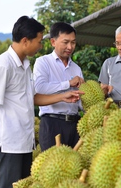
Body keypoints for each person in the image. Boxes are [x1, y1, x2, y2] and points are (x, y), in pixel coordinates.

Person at [0, 16, 84, 188]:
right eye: (39, 41)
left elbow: (33, 97)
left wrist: (62, 96)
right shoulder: (3, 65)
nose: (41, 46)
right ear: (25, 41)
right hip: (8, 144)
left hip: (24, 142)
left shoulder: (25, 65)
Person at [33, 22, 84, 152]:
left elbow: (80, 104)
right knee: (53, 166)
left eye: (73, 42)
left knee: (74, 166)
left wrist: (93, 94)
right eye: (65, 42)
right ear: (53, 42)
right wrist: (68, 83)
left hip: (75, 124)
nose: (70, 47)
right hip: (52, 124)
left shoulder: (76, 68)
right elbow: (39, 89)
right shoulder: (43, 62)